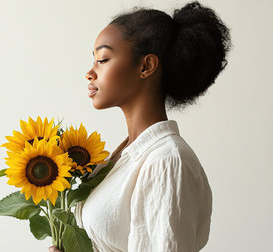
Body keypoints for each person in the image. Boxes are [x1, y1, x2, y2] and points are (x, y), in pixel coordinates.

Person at [49, 1, 232, 251]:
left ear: (146, 66)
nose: (90, 73)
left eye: (102, 59)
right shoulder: (125, 155)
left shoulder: (167, 162)